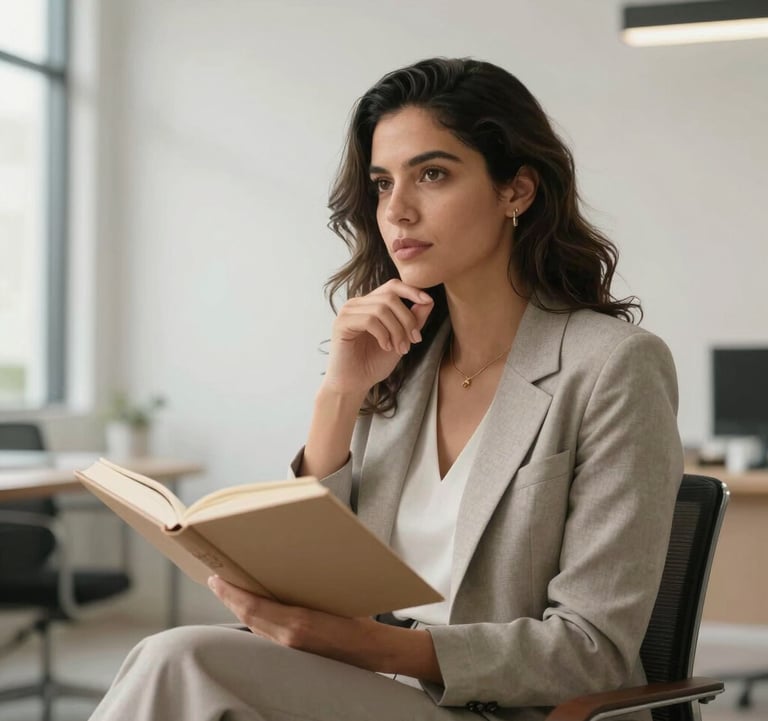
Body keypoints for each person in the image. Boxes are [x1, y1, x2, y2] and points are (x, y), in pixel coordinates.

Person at [89, 58, 683, 721]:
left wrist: (382, 646)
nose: (396, 210)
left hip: (506, 710)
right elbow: (317, 579)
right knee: (171, 659)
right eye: (381, 182)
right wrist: (339, 394)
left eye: (432, 174)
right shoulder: (399, 366)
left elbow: (591, 649)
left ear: (516, 190)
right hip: (368, 689)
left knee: (182, 661)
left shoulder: (614, 366)